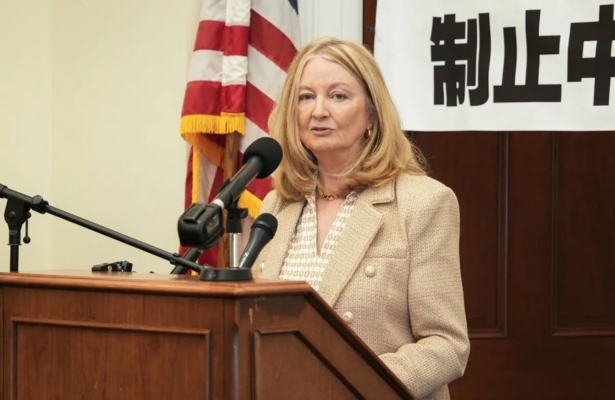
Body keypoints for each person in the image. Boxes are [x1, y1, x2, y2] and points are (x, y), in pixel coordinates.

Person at [253, 37, 469, 400]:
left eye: (338, 96)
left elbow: (446, 345)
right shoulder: (277, 205)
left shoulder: (423, 202)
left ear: (371, 113)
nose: (319, 110)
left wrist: (348, 385)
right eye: (306, 97)